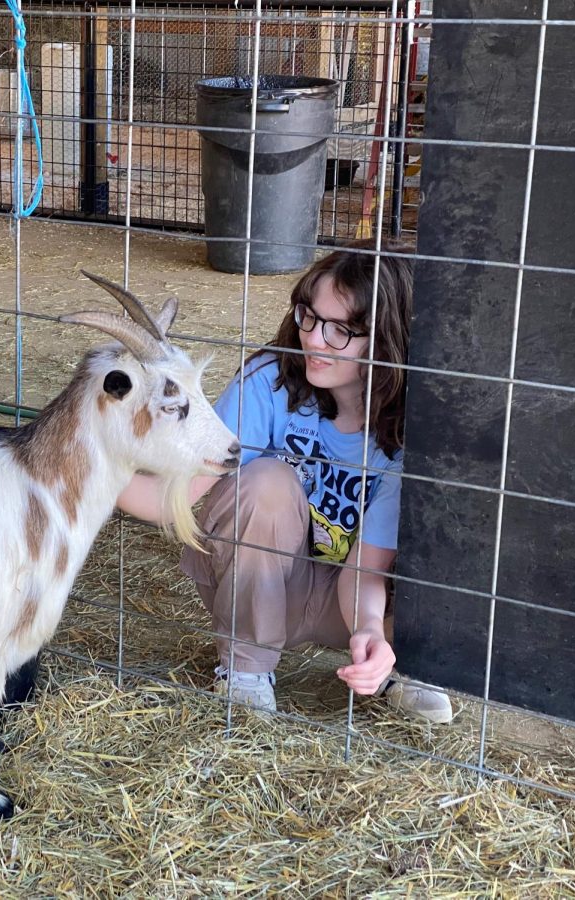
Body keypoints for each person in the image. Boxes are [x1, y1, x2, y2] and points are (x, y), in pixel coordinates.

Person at [116, 242, 454, 724]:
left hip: (356, 596)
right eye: (310, 317)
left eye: (342, 330)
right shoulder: (269, 381)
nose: (314, 339)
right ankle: (247, 672)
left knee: (452, 520)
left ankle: (403, 662)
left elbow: (367, 569)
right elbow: (181, 491)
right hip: (269, 585)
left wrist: (369, 629)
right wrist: (91, 465)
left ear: (388, 340)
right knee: (267, 479)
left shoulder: (411, 429)